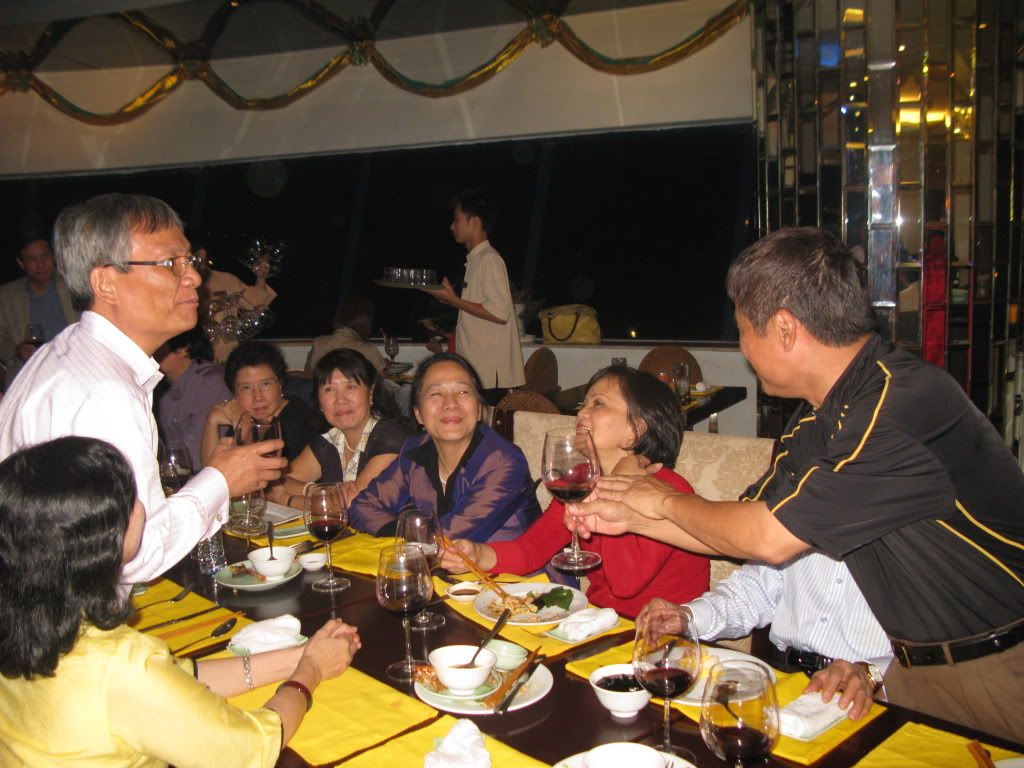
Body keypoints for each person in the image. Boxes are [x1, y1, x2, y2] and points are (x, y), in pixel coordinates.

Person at [571, 227, 1024, 741]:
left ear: (784, 329)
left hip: (998, 666)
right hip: (915, 671)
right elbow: (744, 531)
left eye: (744, 330)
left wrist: (663, 502)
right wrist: (634, 519)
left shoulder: (899, 407)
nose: (743, 348)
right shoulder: (819, 418)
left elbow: (770, 537)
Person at [0, 435, 360, 767]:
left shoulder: (30, 624)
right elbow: (249, 751)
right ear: (104, 538)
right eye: (132, 497)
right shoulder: (120, 665)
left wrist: (299, 657)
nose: (143, 504)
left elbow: (173, 676)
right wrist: (308, 675)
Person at [0, 194, 285, 588]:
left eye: (190, 261)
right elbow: (131, 554)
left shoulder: (63, 353)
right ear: (106, 283)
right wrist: (221, 479)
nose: (194, 277)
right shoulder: (105, 394)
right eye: (171, 264)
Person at [440, 365, 709, 618]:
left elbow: (625, 584)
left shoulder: (667, 492)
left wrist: (620, 482)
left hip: (662, 637)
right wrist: (477, 555)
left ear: (634, 430)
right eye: (584, 404)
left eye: (598, 403)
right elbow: (531, 550)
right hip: (598, 625)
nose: (581, 413)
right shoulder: (581, 481)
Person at [638, 552, 893, 721]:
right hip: (782, 681)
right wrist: (688, 616)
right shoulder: (799, 506)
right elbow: (750, 593)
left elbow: (918, 654)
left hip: (867, 696)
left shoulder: (911, 528)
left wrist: (871, 672)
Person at [348, 352, 539, 541]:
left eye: (463, 392)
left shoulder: (503, 462)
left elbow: (449, 537)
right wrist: (406, 531)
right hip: (432, 559)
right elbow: (362, 507)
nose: (450, 404)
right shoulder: (414, 452)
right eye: (436, 394)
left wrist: (408, 531)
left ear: (480, 409)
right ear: (418, 414)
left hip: (508, 562)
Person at [270, 349, 416, 510]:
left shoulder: (393, 437)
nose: (340, 400)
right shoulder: (329, 440)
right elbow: (276, 482)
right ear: (319, 401)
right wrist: (317, 491)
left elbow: (352, 504)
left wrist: (286, 500)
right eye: (329, 389)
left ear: (370, 393)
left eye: (350, 387)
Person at [422, 189, 525, 404]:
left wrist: (455, 300)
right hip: (479, 369)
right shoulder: (476, 260)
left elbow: (500, 313)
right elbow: (480, 310)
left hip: (488, 373)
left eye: (456, 219)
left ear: (475, 221)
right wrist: (449, 299)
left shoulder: (489, 260)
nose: (452, 226)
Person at [201, 340, 315, 464]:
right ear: (235, 393)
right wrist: (212, 420)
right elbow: (211, 472)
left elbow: (254, 470)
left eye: (266, 384)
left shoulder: (299, 420)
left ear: (280, 384)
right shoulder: (246, 414)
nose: (258, 397)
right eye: (247, 388)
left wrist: (243, 424)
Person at [0, 238, 79, 390]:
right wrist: (17, 350)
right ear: (21, 263)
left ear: (53, 256)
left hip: (74, 370)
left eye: (45, 256)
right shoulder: (7, 296)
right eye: (32, 259)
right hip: (29, 378)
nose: (41, 264)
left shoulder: (73, 284)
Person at [154, 325, 232, 468]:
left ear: (183, 348)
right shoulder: (158, 385)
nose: (149, 353)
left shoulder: (210, 382)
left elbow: (194, 457)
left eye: (157, 345)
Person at [199, 247, 277, 363]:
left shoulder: (226, 280)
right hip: (194, 356)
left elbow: (256, 304)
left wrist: (261, 277)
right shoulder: (180, 283)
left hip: (227, 357)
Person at [305, 295, 387, 374]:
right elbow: (381, 381)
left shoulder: (318, 343)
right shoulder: (369, 350)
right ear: (367, 321)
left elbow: (307, 376)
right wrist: (383, 365)